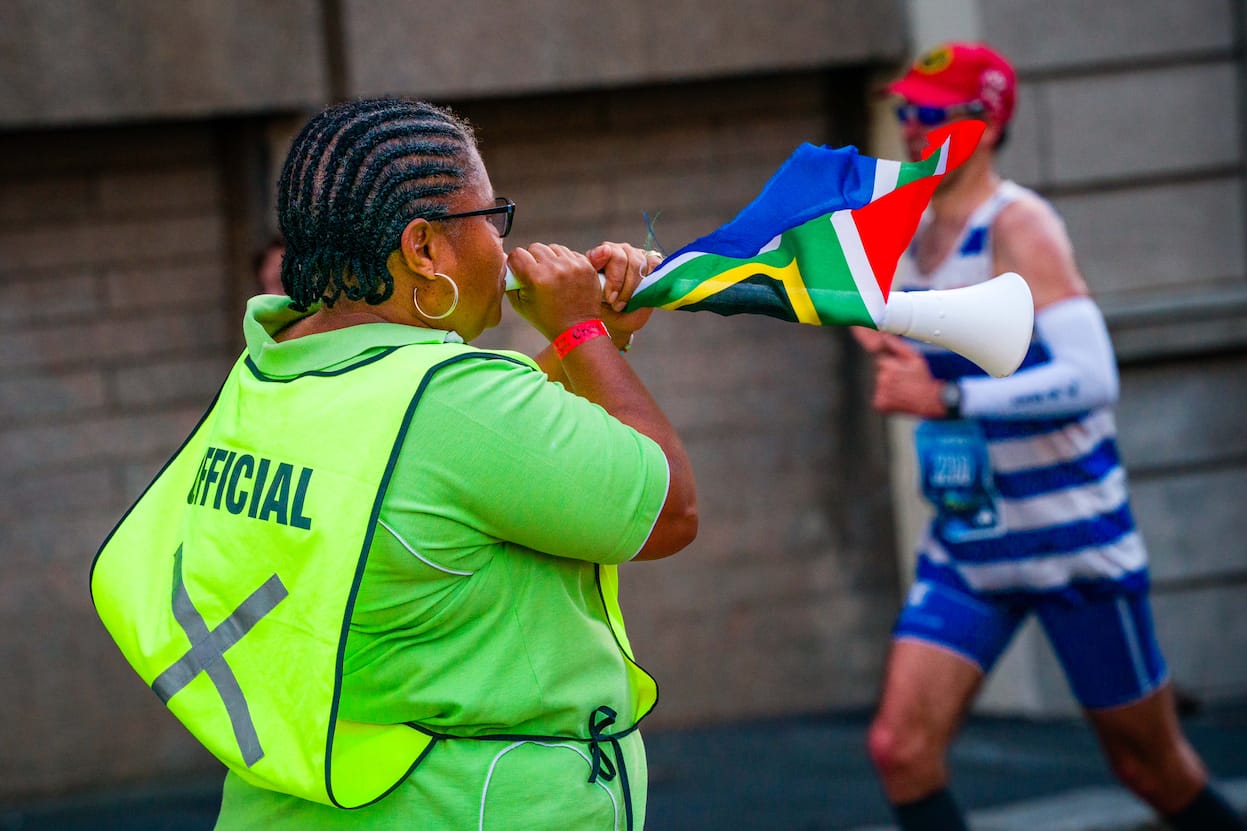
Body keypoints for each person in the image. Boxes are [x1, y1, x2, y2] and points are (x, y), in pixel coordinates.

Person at [91, 97, 697, 830]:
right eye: (490, 219)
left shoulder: (275, 367)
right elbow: (669, 511)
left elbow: (483, 460)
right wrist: (579, 331)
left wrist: (597, 344)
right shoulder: (452, 399)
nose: (505, 251)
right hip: (464, 806)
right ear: (423, 249)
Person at [855, 43, 1246, 831]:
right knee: (900, 748)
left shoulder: (1020, 224)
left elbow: (1092, 376)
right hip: (969, 540)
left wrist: (945, 392)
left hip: (1072, 542)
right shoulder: (916, 230)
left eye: (926, 112)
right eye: (903, 111)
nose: (907, 125)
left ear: (982, 123)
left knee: (1150, 769)